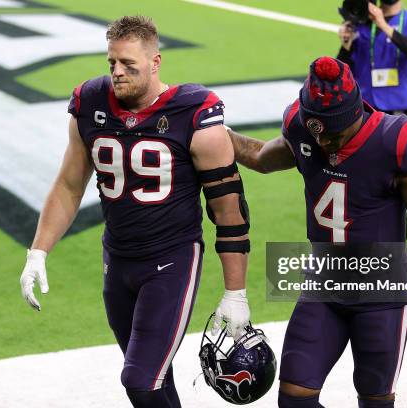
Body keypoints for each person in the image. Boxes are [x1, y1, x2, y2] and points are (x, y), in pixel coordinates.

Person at [19, 15, 252, 408]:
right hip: (118, 260)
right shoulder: (91, 102)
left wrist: (236, 292)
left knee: (140, 380)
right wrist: (38, 251)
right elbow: (69, 185)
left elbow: (228, 209)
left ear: (156, 62)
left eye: (129, 64)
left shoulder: (193, 112)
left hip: (172, 259)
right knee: (155, 379)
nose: (117, 73)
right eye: (112, 63)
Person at [227, 56, 407, 407]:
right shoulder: (305, 132)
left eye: (333, 133)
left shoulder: (398, 141)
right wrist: (211, 131)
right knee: (294, 398)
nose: (324, 142)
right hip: (323, 284)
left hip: (381, 294)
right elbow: (261, 157)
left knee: (375, 401)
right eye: (317, 132)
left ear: (356, 113)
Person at [338, 0, 407, 118]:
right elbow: (342, 70)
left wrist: (383, 25)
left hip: (398, 108)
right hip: (363, 106)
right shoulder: (360, 23)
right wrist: (346, 46)